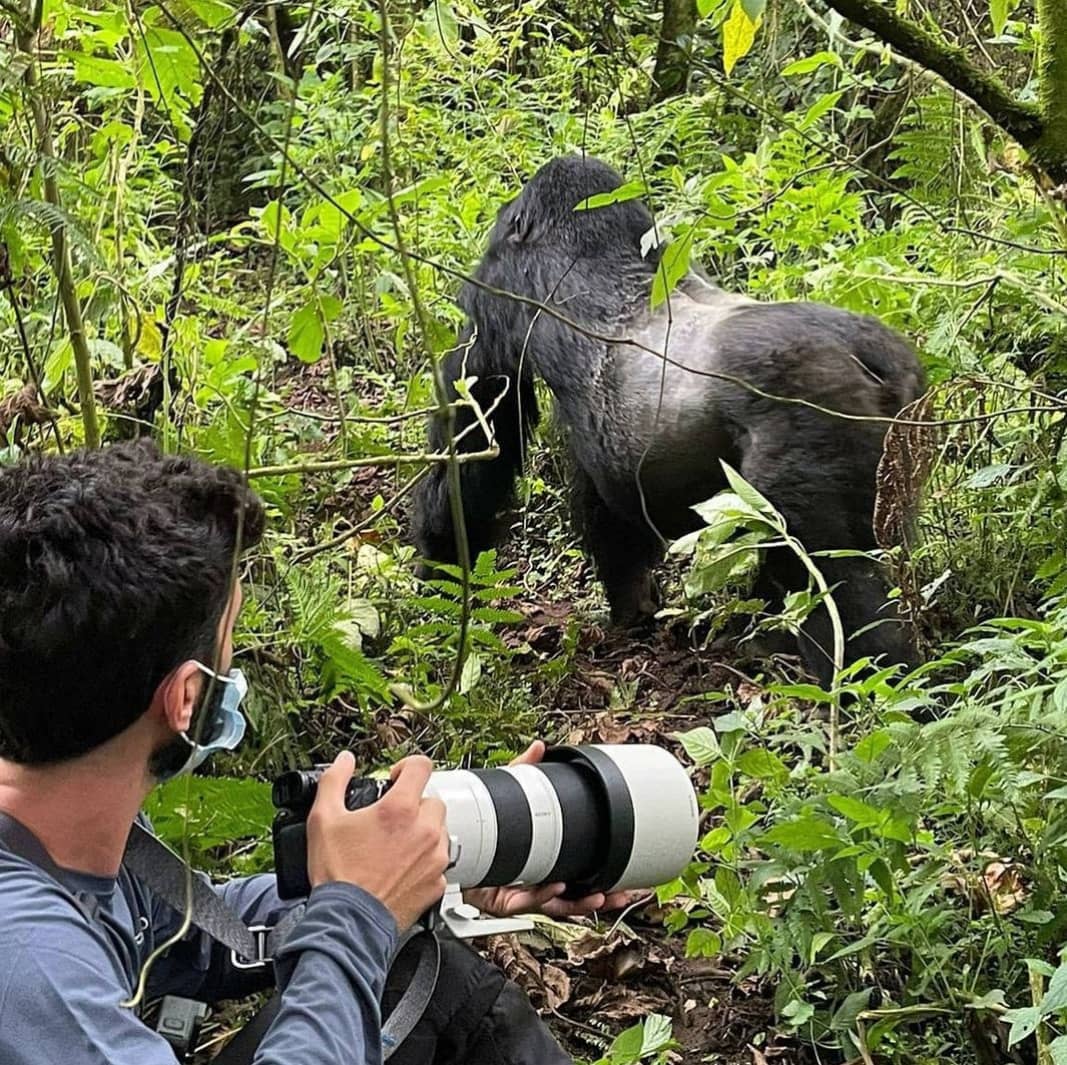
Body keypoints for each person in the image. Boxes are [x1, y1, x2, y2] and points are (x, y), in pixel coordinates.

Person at [0, 441, 632, 1065]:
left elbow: (196, 935)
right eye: (231, 645)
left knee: (418, 967)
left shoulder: (64, 825)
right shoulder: (29, 959)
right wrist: (358, 911)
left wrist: (421, 869)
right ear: (188, 698)